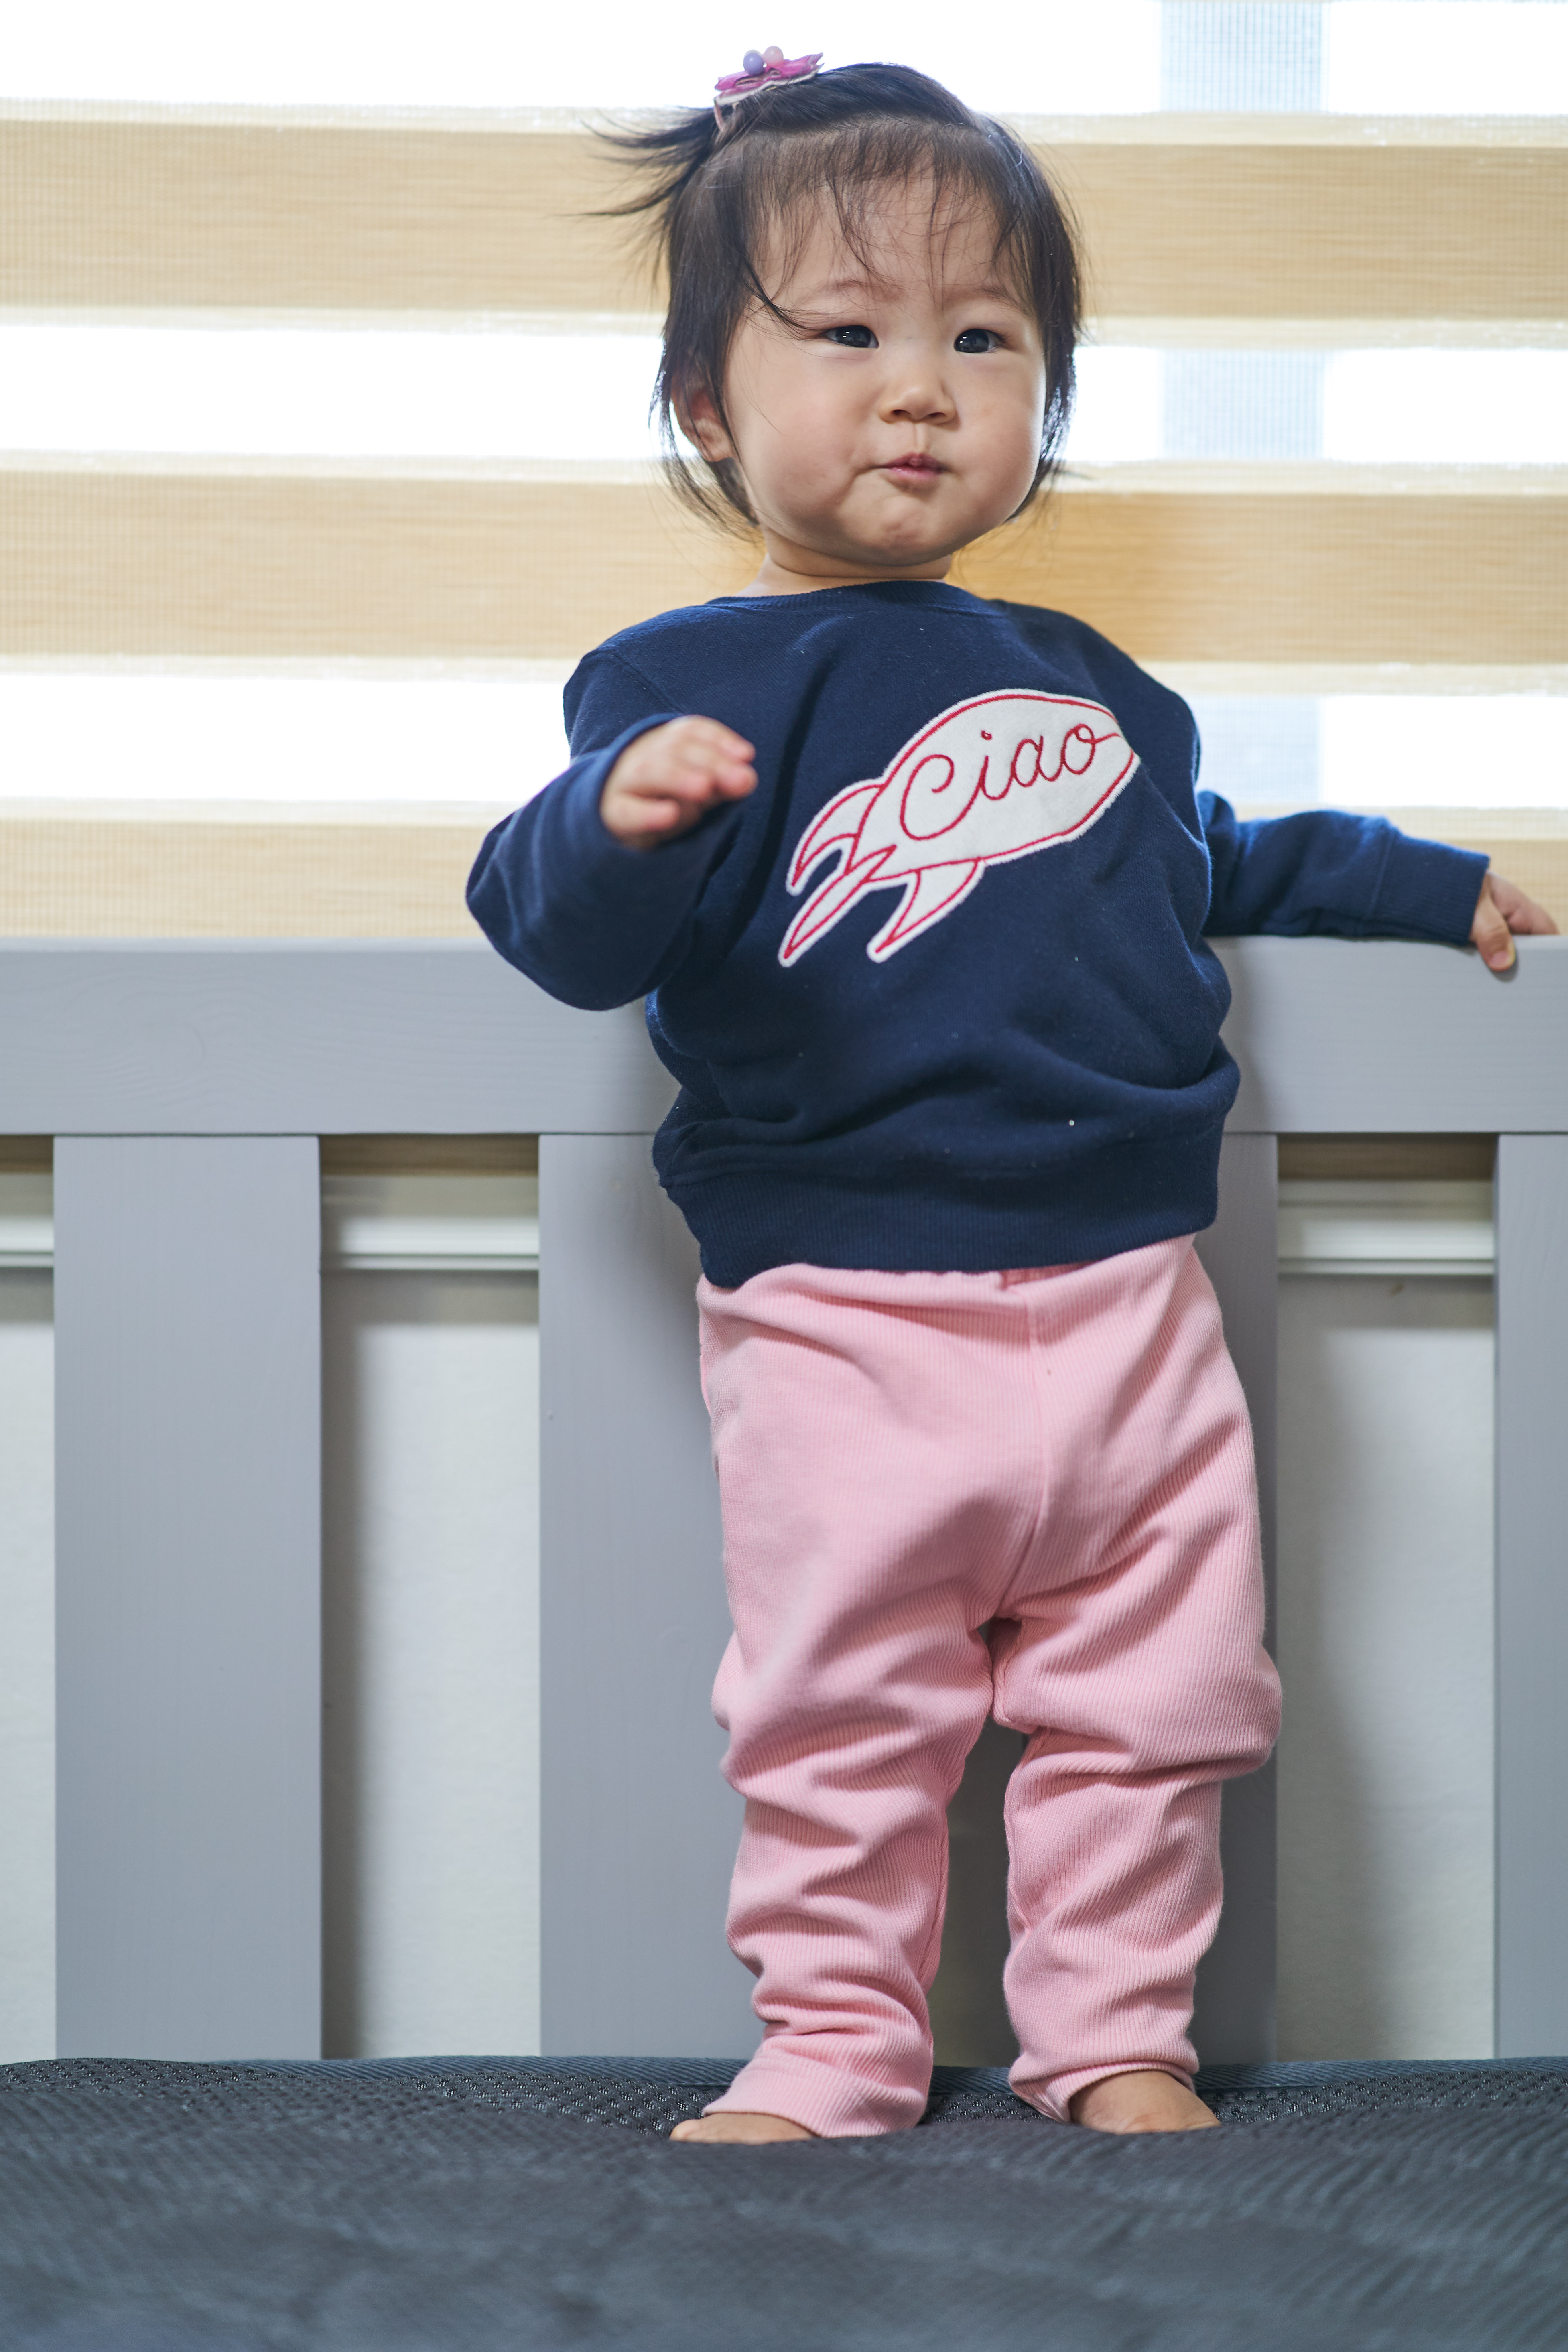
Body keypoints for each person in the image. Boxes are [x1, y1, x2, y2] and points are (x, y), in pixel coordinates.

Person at [467, 58, 1556, 2142]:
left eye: (984, 339)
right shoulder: (681, 683)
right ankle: (834, 2042)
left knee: (1163, 1696)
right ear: (706, 405)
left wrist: (1424, 885)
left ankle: (1114, 2036)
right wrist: (614, 818)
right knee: (840, 1708)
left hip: (1136, 1301)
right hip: (847, 1310)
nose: (921, 389)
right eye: (847, 332)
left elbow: (1207, 855)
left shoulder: (1092, 685)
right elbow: (553, 924)